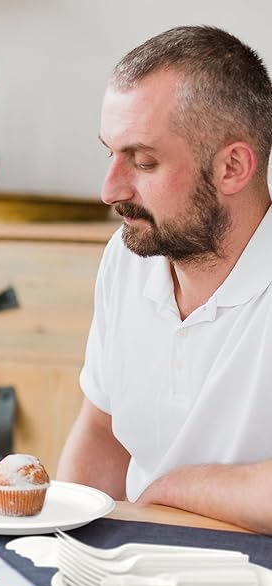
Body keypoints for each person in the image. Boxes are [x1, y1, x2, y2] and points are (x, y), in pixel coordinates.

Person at [56, 25, 272, 535]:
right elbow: (103, 432)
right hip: (139, 559)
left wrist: (174, 489)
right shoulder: (127, 259)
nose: (110, 189)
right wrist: (63, 544)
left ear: (232, 167)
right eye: (110, 153)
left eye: (143, 161)